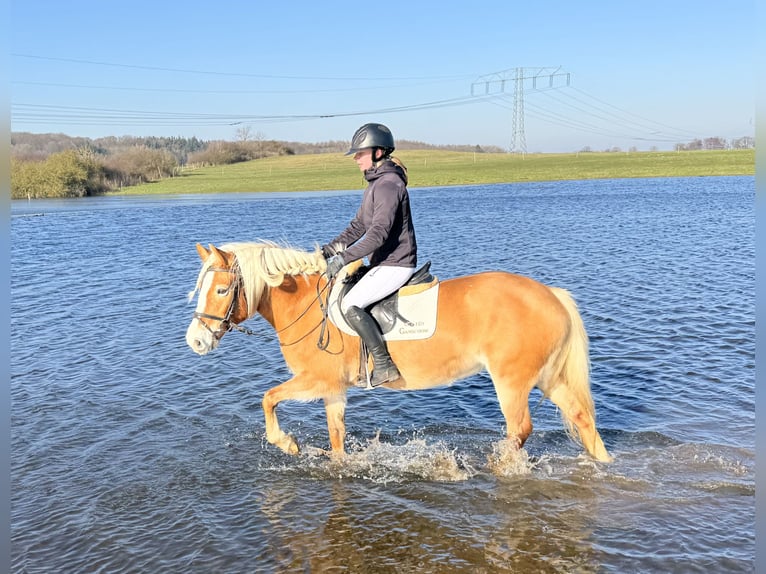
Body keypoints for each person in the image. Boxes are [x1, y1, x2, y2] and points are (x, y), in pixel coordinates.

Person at [321, 122, 417, 387]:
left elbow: (378, 236)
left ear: (377, 153)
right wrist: (328, 250)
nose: (355, 158)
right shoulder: (375, 185)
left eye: (360, 153)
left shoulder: (388, 186)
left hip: (396, 264)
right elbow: (359, 227)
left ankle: (384, 366)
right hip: (383, 263)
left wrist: (343, 258)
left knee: (351, 304)